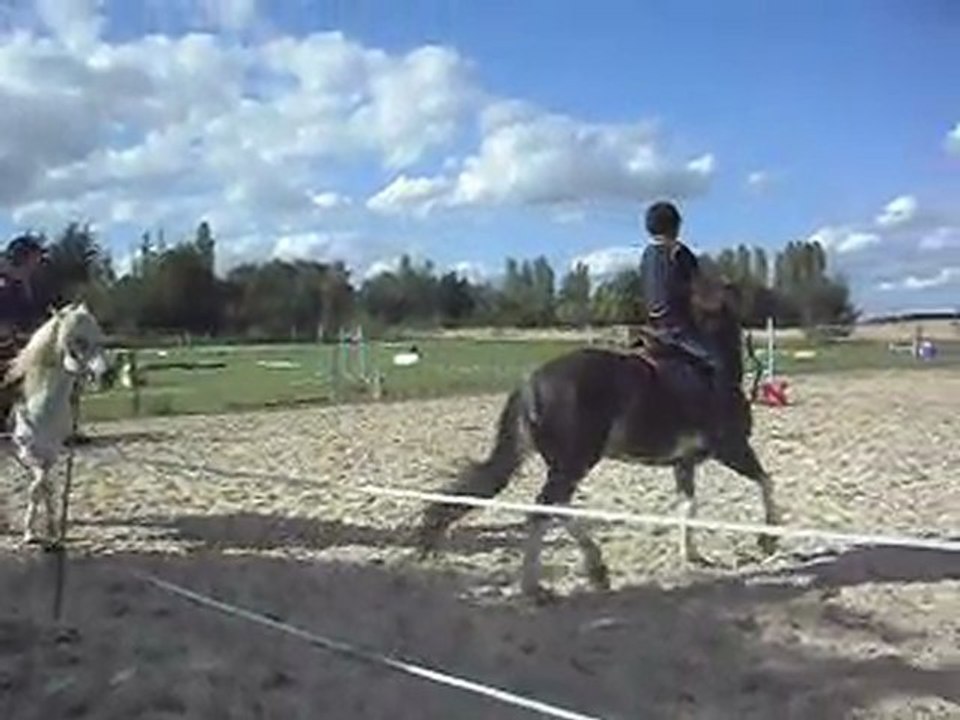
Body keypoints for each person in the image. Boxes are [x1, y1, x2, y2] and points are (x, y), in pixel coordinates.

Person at [638, 201, 729, 447]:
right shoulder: (679, 252)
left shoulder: (646, 255)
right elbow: (698, 292)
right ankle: (714, 424)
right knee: (717, 363)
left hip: (651, 327)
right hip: (676, 328)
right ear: (676, 227)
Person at [1, 234, 48, 430]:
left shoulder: (24, 286)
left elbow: (32, 319)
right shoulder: (3, 285)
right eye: (34, 259)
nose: (37, 265)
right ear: (23, 258)